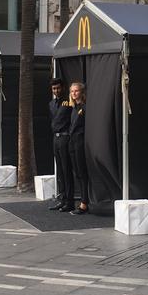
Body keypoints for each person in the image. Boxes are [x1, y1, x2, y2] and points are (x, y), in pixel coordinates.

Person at [48, 78, 73, 212]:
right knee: (60, 172)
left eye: (58, 88)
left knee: (66, 169)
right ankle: (62, 199)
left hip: (65, 138)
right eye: (53, 89)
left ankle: (69, 201)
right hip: (55, 139)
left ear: (62, 88)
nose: (56, 91)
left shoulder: (68, 102)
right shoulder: (51, 103)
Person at [68, 81, 89, 216]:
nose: (74, 93)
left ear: (81, 92)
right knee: (77, 173)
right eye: (72, 91)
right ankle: (83, 200)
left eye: (76, 91)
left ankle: (84, 203)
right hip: (72, 142)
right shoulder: (73, 108)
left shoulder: (84, 107)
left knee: (82, 173)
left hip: (80, 143)